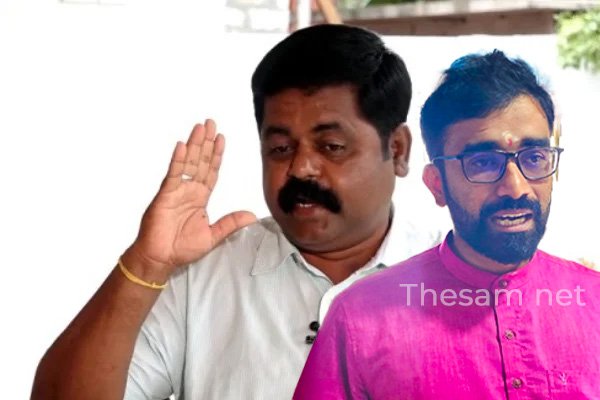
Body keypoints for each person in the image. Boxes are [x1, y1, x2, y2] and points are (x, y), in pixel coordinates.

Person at [31, 24, 428, 399]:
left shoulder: (455, 283)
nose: (300, 168)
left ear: (397, 150)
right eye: (280, 149)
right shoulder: (200, 277)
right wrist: (146, 265)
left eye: (331, 147)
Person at [294, 50, 600, 399]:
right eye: (483, 162)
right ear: (437, 184)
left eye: (534, 158)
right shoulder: (359, 319)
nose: (516, 188)